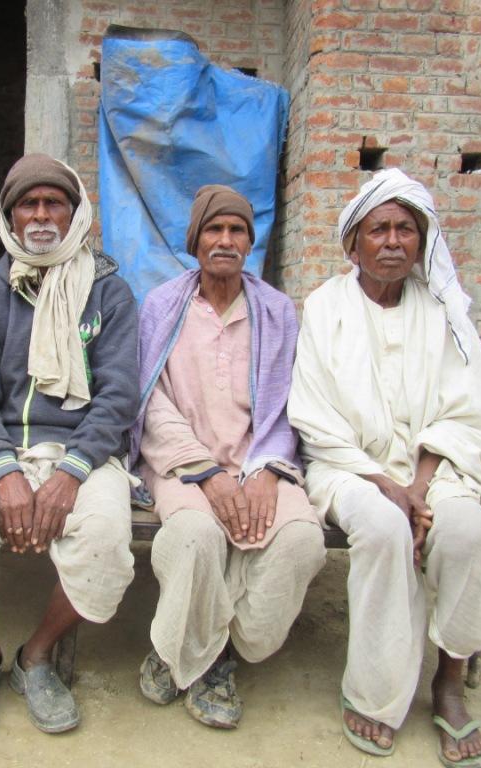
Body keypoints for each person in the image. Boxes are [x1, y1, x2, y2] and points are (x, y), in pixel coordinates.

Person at [288, 168, 481, 767]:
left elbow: (468, 410)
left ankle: (449, 678)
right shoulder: (324, 308)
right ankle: (376, 691)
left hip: (434, 467)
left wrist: (418, 488)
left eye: (405, 229)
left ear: (422, 241)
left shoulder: (443, 312)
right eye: (378, 230)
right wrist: (387, 487)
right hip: (350, 467)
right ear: (353, 244)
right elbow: (314, 419)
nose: (392, 241)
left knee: (467, 530)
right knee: (384, 528)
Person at [0, 154, 139, 735]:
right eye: (29, 204)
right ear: (10, 216)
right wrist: (5, 472)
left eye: (55, 203)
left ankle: (36, 656)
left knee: (104, 543)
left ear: (76, 215)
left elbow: (119, 398)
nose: (42, 215)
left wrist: (71, 471)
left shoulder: (110, 294)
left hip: (84, 454)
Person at [133, 185, 325, 730]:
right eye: (213, 230)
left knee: (299, 540)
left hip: (262, 460)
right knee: (195, 536)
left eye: (236, 230)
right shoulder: (163, 306)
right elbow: (150, 404)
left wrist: (265, 472)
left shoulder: (276, 310)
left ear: (249, 241)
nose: (225, 240)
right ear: (195, 241)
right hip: (181, 465)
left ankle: (223, 646)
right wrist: (207, 475)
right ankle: (196, 658)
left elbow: (290, 402)